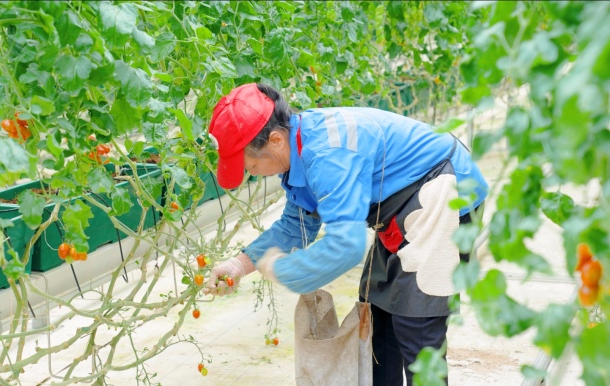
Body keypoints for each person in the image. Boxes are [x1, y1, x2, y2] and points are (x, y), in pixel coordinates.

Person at [203, 83, 488, 385]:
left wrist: (283, 269)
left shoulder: (327, 154)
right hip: (399, 206)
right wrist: (239, 264)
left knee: (416, 326)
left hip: (443, 190)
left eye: (251, 165)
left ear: (274, 140)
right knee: (378, 320)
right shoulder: (299, 148)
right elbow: (294, 226)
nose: (253, 173)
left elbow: (346, 246)